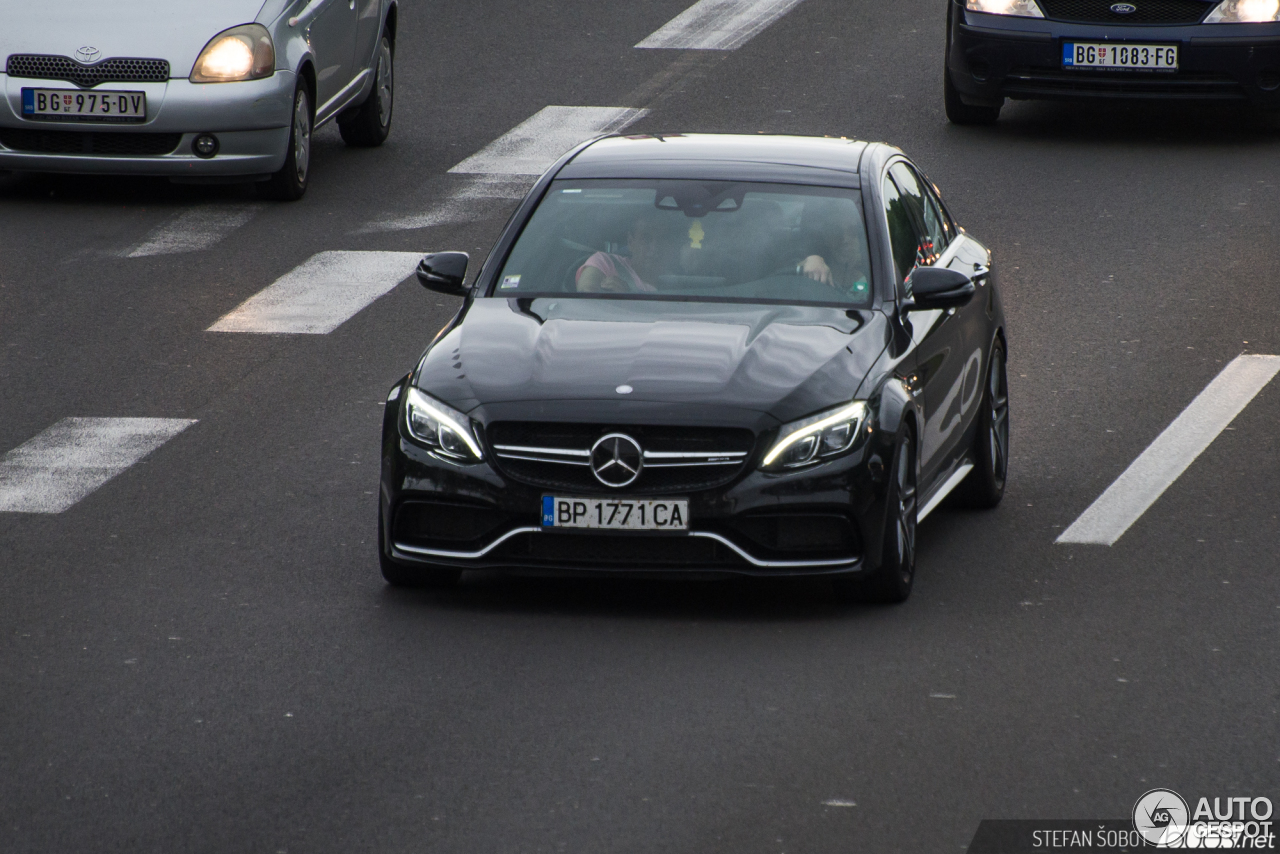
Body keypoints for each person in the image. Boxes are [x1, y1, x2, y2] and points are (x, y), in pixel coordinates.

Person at [575, 215, 672, 293]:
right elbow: (587, 296)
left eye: (662, 239)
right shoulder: (606, 262)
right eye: (646, 239)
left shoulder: (680, 285)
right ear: (630, 242)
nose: (654, 248)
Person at [794, 203, 871, 296]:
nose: (845, 239)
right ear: (826, 237)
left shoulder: (871, 279)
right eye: (837, 231)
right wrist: (810, 261)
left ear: (860, 240)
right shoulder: (813, 270)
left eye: (852, 231)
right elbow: (786, 272)